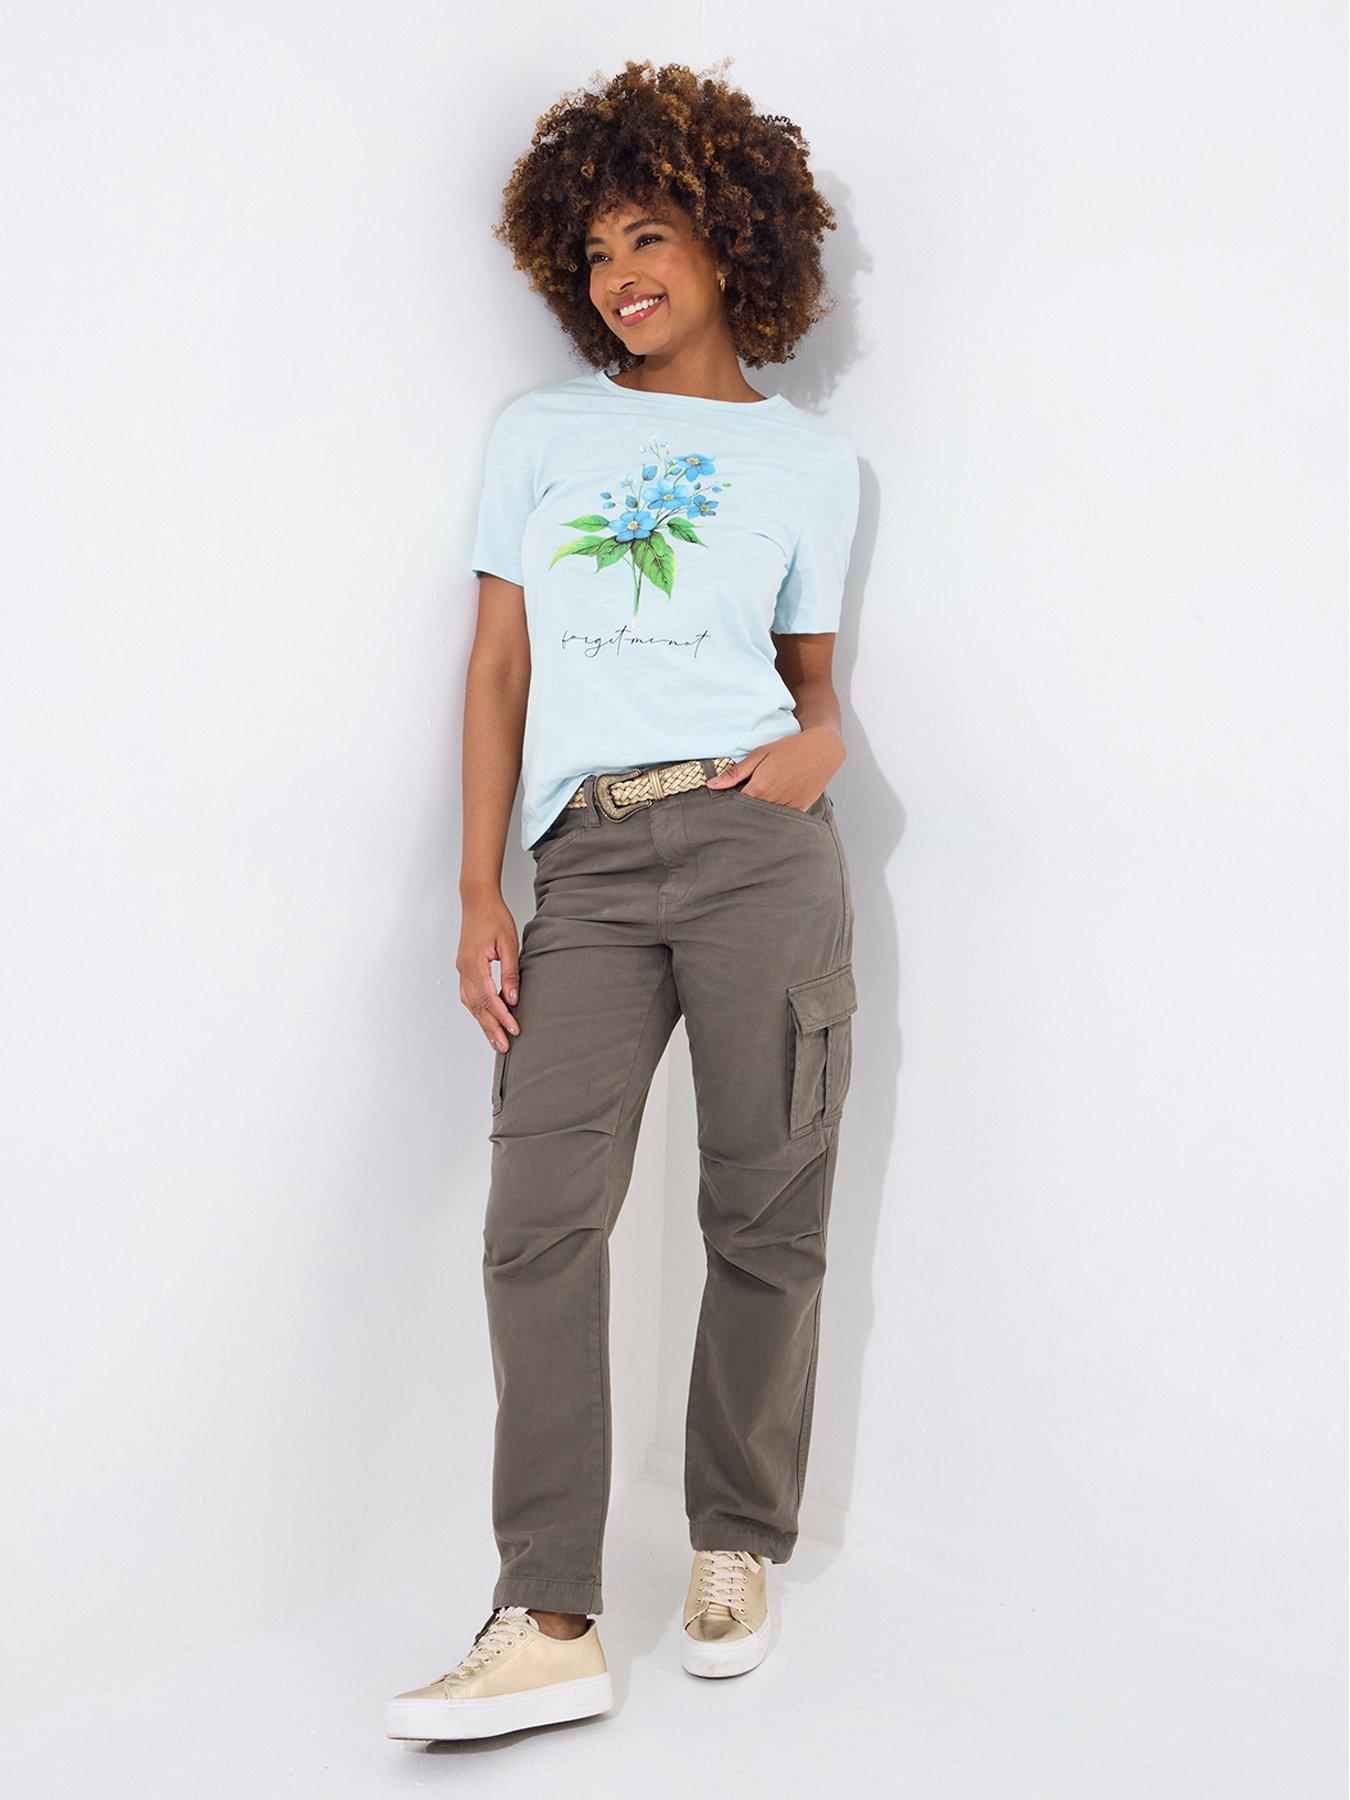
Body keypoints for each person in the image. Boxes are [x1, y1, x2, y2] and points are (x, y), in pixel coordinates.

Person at [386, 57, 862, 1744]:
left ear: (733, 238)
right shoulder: (542, 434)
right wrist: (478, 889)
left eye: (647, 236)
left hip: (759, 854)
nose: (617, 277)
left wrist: (820, 744)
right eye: (592, 253)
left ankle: (736, 1542)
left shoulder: (809, 463)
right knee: (539, 1221)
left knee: (763, 1209)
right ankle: (547, 1616)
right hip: (585, 861)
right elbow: (497, 666)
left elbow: (812, 686)